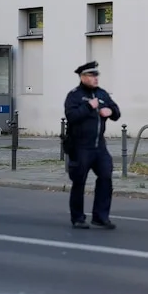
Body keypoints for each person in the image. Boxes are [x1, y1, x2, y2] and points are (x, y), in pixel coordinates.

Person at [64, 60, 120, 229]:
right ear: (82, 77)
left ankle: (100, 216)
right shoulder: (74, 95)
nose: (95, 78)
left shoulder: (102, 94)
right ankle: (78, 217)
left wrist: (110, 111)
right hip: (80, 146)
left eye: (96, 75)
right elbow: (71, 116)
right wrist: (88, 107)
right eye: (91, 75)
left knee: (105, 176)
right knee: (79, 181)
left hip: (99, 146)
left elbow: (116, 111)